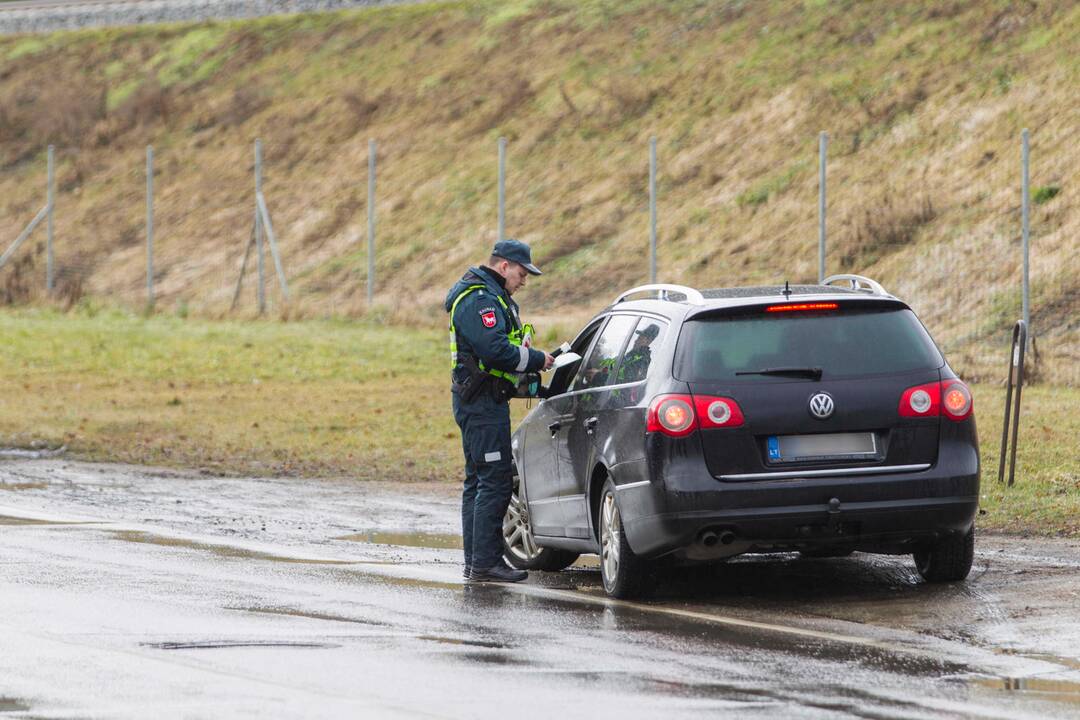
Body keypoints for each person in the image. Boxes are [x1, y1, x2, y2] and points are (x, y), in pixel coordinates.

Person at [444, 240, 554, 583]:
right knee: (493, 480)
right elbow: (494, 350)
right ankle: (486, 563)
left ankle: (477, 562)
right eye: (522, 273)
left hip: (483, 400)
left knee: (479, 481)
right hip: (481, 404)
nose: (524, 281)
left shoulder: (491, 297)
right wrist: (538, 360)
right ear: (503, 266)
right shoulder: (478, 299)